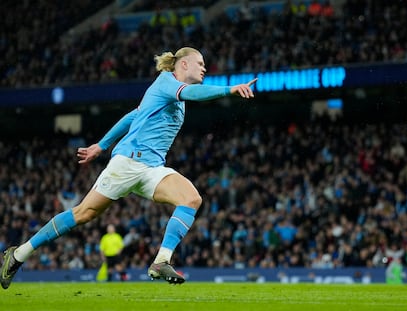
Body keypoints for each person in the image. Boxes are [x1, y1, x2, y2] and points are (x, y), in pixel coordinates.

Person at [0, 46, 257, 288]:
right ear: (184, 63)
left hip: (152, 168)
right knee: (83, 214)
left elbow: (133, 116)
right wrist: (229, 89)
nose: (204, 68)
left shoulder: (172, 96)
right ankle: (19, 254)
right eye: (200, 64)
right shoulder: (168, 82)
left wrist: (101, 145)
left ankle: (161, 261)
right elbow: (191, 93)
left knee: (191, 198)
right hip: (129, 162)